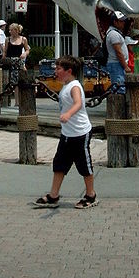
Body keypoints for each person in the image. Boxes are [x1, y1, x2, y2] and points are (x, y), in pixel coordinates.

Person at [34, 55, 97, 209]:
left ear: (69, 71)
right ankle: (53, 195)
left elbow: (78, 103)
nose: (56, 71)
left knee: (84, 165)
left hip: (80, 133)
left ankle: (91, 195)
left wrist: (68, 114)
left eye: (58, 68)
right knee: (60, 164)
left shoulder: (75, 86)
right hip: (67, 134)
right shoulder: (66, 85)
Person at [3, 23, 30, 103]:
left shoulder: (23, 39)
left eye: (11, 30)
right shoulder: (8, 39)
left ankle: (23, 100)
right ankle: (16, 101)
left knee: (22, 80)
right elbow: (5, 51)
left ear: (16, 31)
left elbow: (27, 49)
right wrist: (3, 58)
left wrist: (25, 53)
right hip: (11, 61)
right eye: (9, 30)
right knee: (13, 82)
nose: (10, 31)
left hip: (19, 61)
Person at [105, 11, 131, 93]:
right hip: (116, 64)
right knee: (119, 89)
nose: (123, 23)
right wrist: (125, 66)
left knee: (121, 87)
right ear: (115, 22)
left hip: (118, 64)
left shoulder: (116, 33)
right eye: (121, 21)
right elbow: (118, 52)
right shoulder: (113, 34)